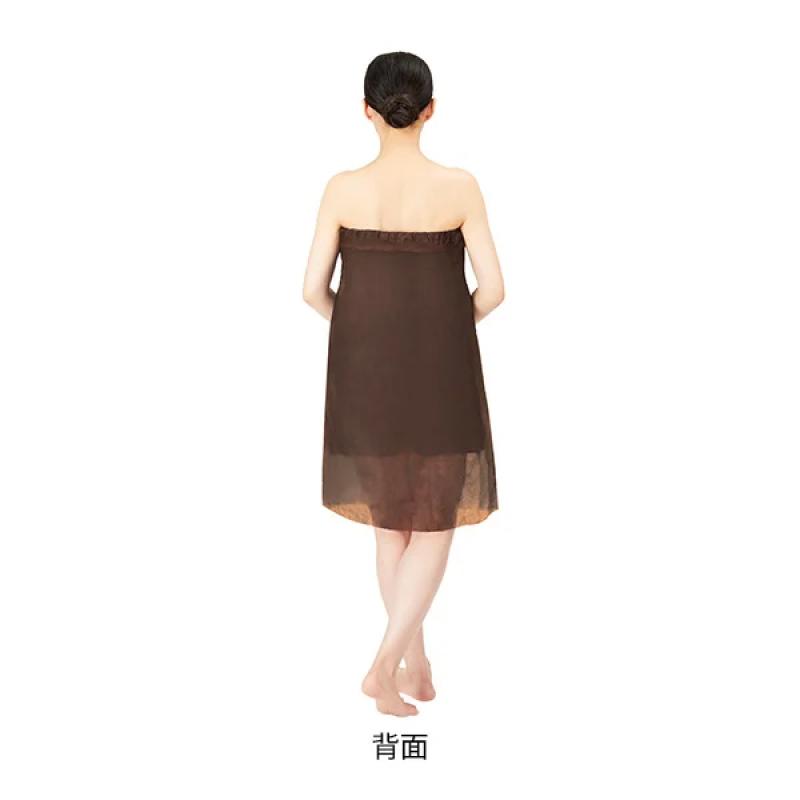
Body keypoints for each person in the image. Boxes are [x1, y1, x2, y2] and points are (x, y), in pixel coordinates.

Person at [302, 51, 505, 717]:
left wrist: (365, 334)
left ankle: (414, 663)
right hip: (441, 370)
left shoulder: (341, 188)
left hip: (364, 373)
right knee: (435, 523)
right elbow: (493, 290)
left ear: (366, 110)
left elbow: (313, 291)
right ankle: (385, 666)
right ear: (430, 110)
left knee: (391, 528)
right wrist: (442, 330)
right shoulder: (460, 186)